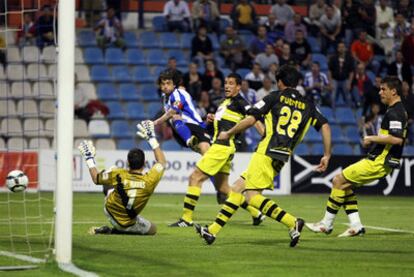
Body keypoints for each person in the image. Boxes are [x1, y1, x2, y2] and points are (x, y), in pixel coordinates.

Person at [195, 65, 332, 247]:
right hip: (283, 156)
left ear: (280, 82)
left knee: (252, 197)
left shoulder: (274, 97)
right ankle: (212, 231)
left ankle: (293, 222)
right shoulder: (308, 105)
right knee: (236, 189)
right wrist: (327, 154)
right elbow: (325, 126)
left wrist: (229, 133)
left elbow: (251, 118)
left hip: (266, 151)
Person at [306, 76, 408, 237]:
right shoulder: (396, 110)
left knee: (338, 180)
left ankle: (326, 224)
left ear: (393, 91)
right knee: (346, 186)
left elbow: (397, 139)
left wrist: (371, 138)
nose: (380, 92)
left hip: (379, 161)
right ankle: (356, 226)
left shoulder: (396, 112)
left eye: (383, 89)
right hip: (380, 160)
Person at [169, 73, 266, 227]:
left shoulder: (240, 101)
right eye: (226, 83)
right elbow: (225, 123)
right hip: (224, 147)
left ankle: (186, 219)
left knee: (195, 178)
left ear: (239, 87)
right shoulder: (224, 103)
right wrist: (212, 121)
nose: (227, 86)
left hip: (222, 146)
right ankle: (256, 213)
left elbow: (254, 118)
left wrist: (265, 136)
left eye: (231, 83)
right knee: (223, 188)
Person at [80, 121, 165, 235]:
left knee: (111, 173)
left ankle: (112, 224)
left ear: (127, 163)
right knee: (153, 229)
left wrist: (89, 159)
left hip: (109, 209)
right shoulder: (150, 180)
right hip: (126, 222)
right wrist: (151, 138)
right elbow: (162, 162)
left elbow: (96, 179)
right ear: (144, 163)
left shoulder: (118, 174)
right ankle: (111, 231)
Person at [154, 69, 210, 154]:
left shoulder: (178, 93)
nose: (165, 86)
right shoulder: (165, 97)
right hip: (181, 130)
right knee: (207, 158)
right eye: (163, 84)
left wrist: (155, 122)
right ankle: (190, 141)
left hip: (194, 125)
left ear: (174, 85)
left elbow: (172, 112)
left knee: (207, 157)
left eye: (168, 83)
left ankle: (190, 140)